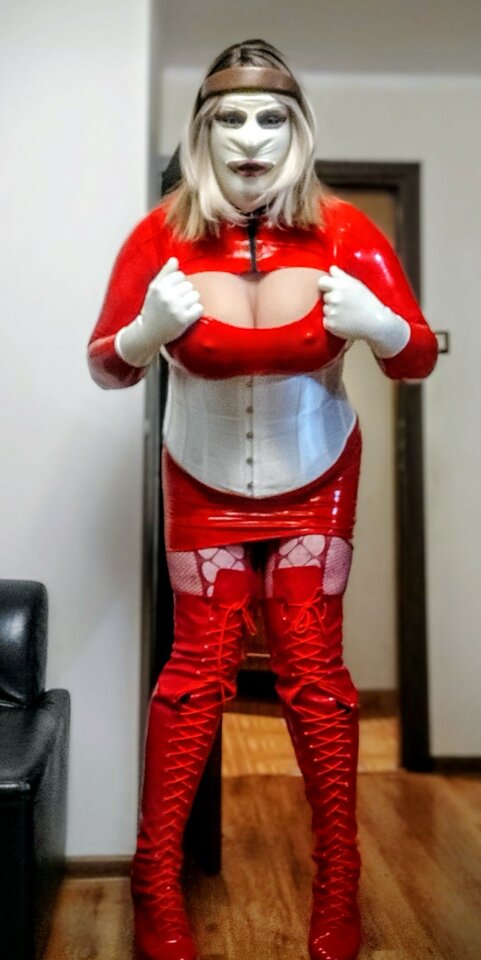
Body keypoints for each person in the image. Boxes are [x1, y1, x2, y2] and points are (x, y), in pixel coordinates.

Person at [88, 39, 437, 960]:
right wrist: (144, 333)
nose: (249, 137)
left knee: (314, 678)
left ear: (298, 131)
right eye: (230, 119)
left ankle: (338, 884)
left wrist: (382, 324)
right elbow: (106, 367)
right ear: (203, 132)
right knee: (192, 677)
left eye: (270, 118)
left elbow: (413, 359)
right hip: (197, 478)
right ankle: (154, 885)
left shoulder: (346, 232)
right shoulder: (159, 235)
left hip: (317, 478)